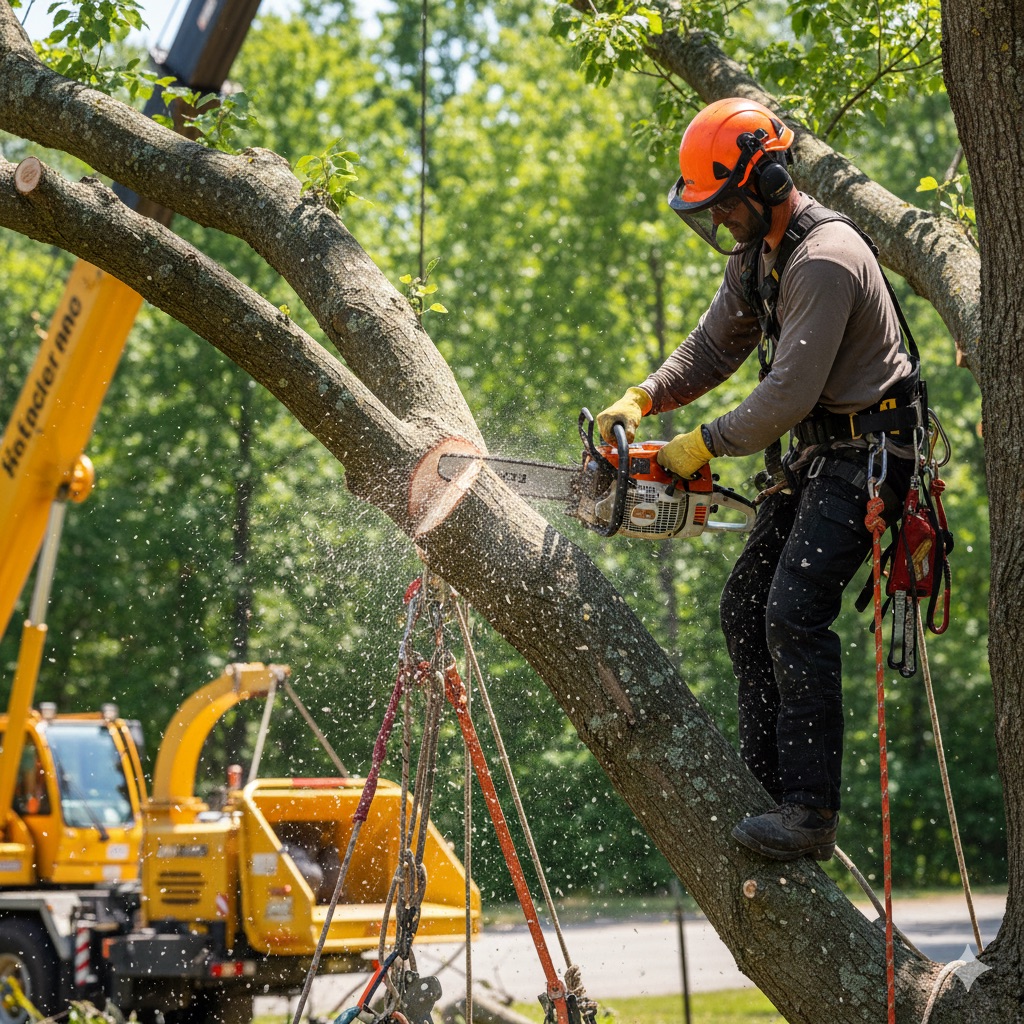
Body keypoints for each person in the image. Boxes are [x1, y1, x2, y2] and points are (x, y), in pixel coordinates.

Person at [596, 97, 924, 861]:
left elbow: (785, 396)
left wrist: (695, 449)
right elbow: (713, 349)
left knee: (793, 613)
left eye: (726, 205)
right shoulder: (759, 256)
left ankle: (809, 812)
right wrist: (645, 396)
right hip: (819, 454)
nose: (720, 223)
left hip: (871, 453)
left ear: (768, 180)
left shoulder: (825, 257)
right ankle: (766, 787)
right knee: (745, 606)